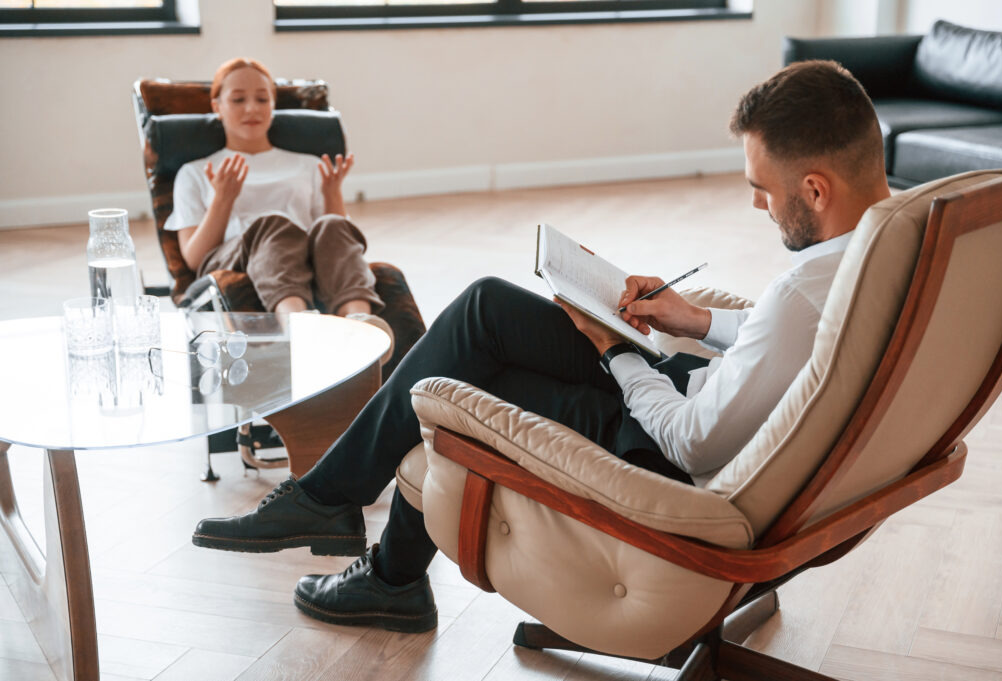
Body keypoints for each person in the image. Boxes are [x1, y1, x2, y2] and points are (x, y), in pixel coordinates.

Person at [192, 60, 891, 633]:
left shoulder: (805, 291)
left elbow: (693, 445)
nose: (757, 206)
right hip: (691, 393)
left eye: (762, 190)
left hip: (661, 452)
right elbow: (791, 341)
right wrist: (690, 320)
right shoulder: (886, 241)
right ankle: (337, 509)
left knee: (452, 389)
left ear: (814, 188)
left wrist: (614, 350)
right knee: (485, 307)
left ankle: (380, 566)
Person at [164, 57, 390, 340]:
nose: (251, 108)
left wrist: (332, 194)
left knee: (333, 224)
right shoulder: (196, 172)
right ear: (216, 107)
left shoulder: (308, 165)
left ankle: (360, 327)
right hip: (233, 259)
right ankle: (297, 326)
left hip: (304, 256)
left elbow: (332, 240)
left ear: (273, 106)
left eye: (262, 99)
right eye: (237, 100)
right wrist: (223, 200)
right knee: (274, 224)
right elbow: (195, 258)